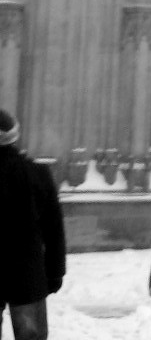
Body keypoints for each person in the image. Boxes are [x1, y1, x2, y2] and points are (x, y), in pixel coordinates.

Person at [0, 109, 66, 340]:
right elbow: (54, 229)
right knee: (31, 336)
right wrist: (55, 273)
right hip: (27, 273)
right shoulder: (36, 173)